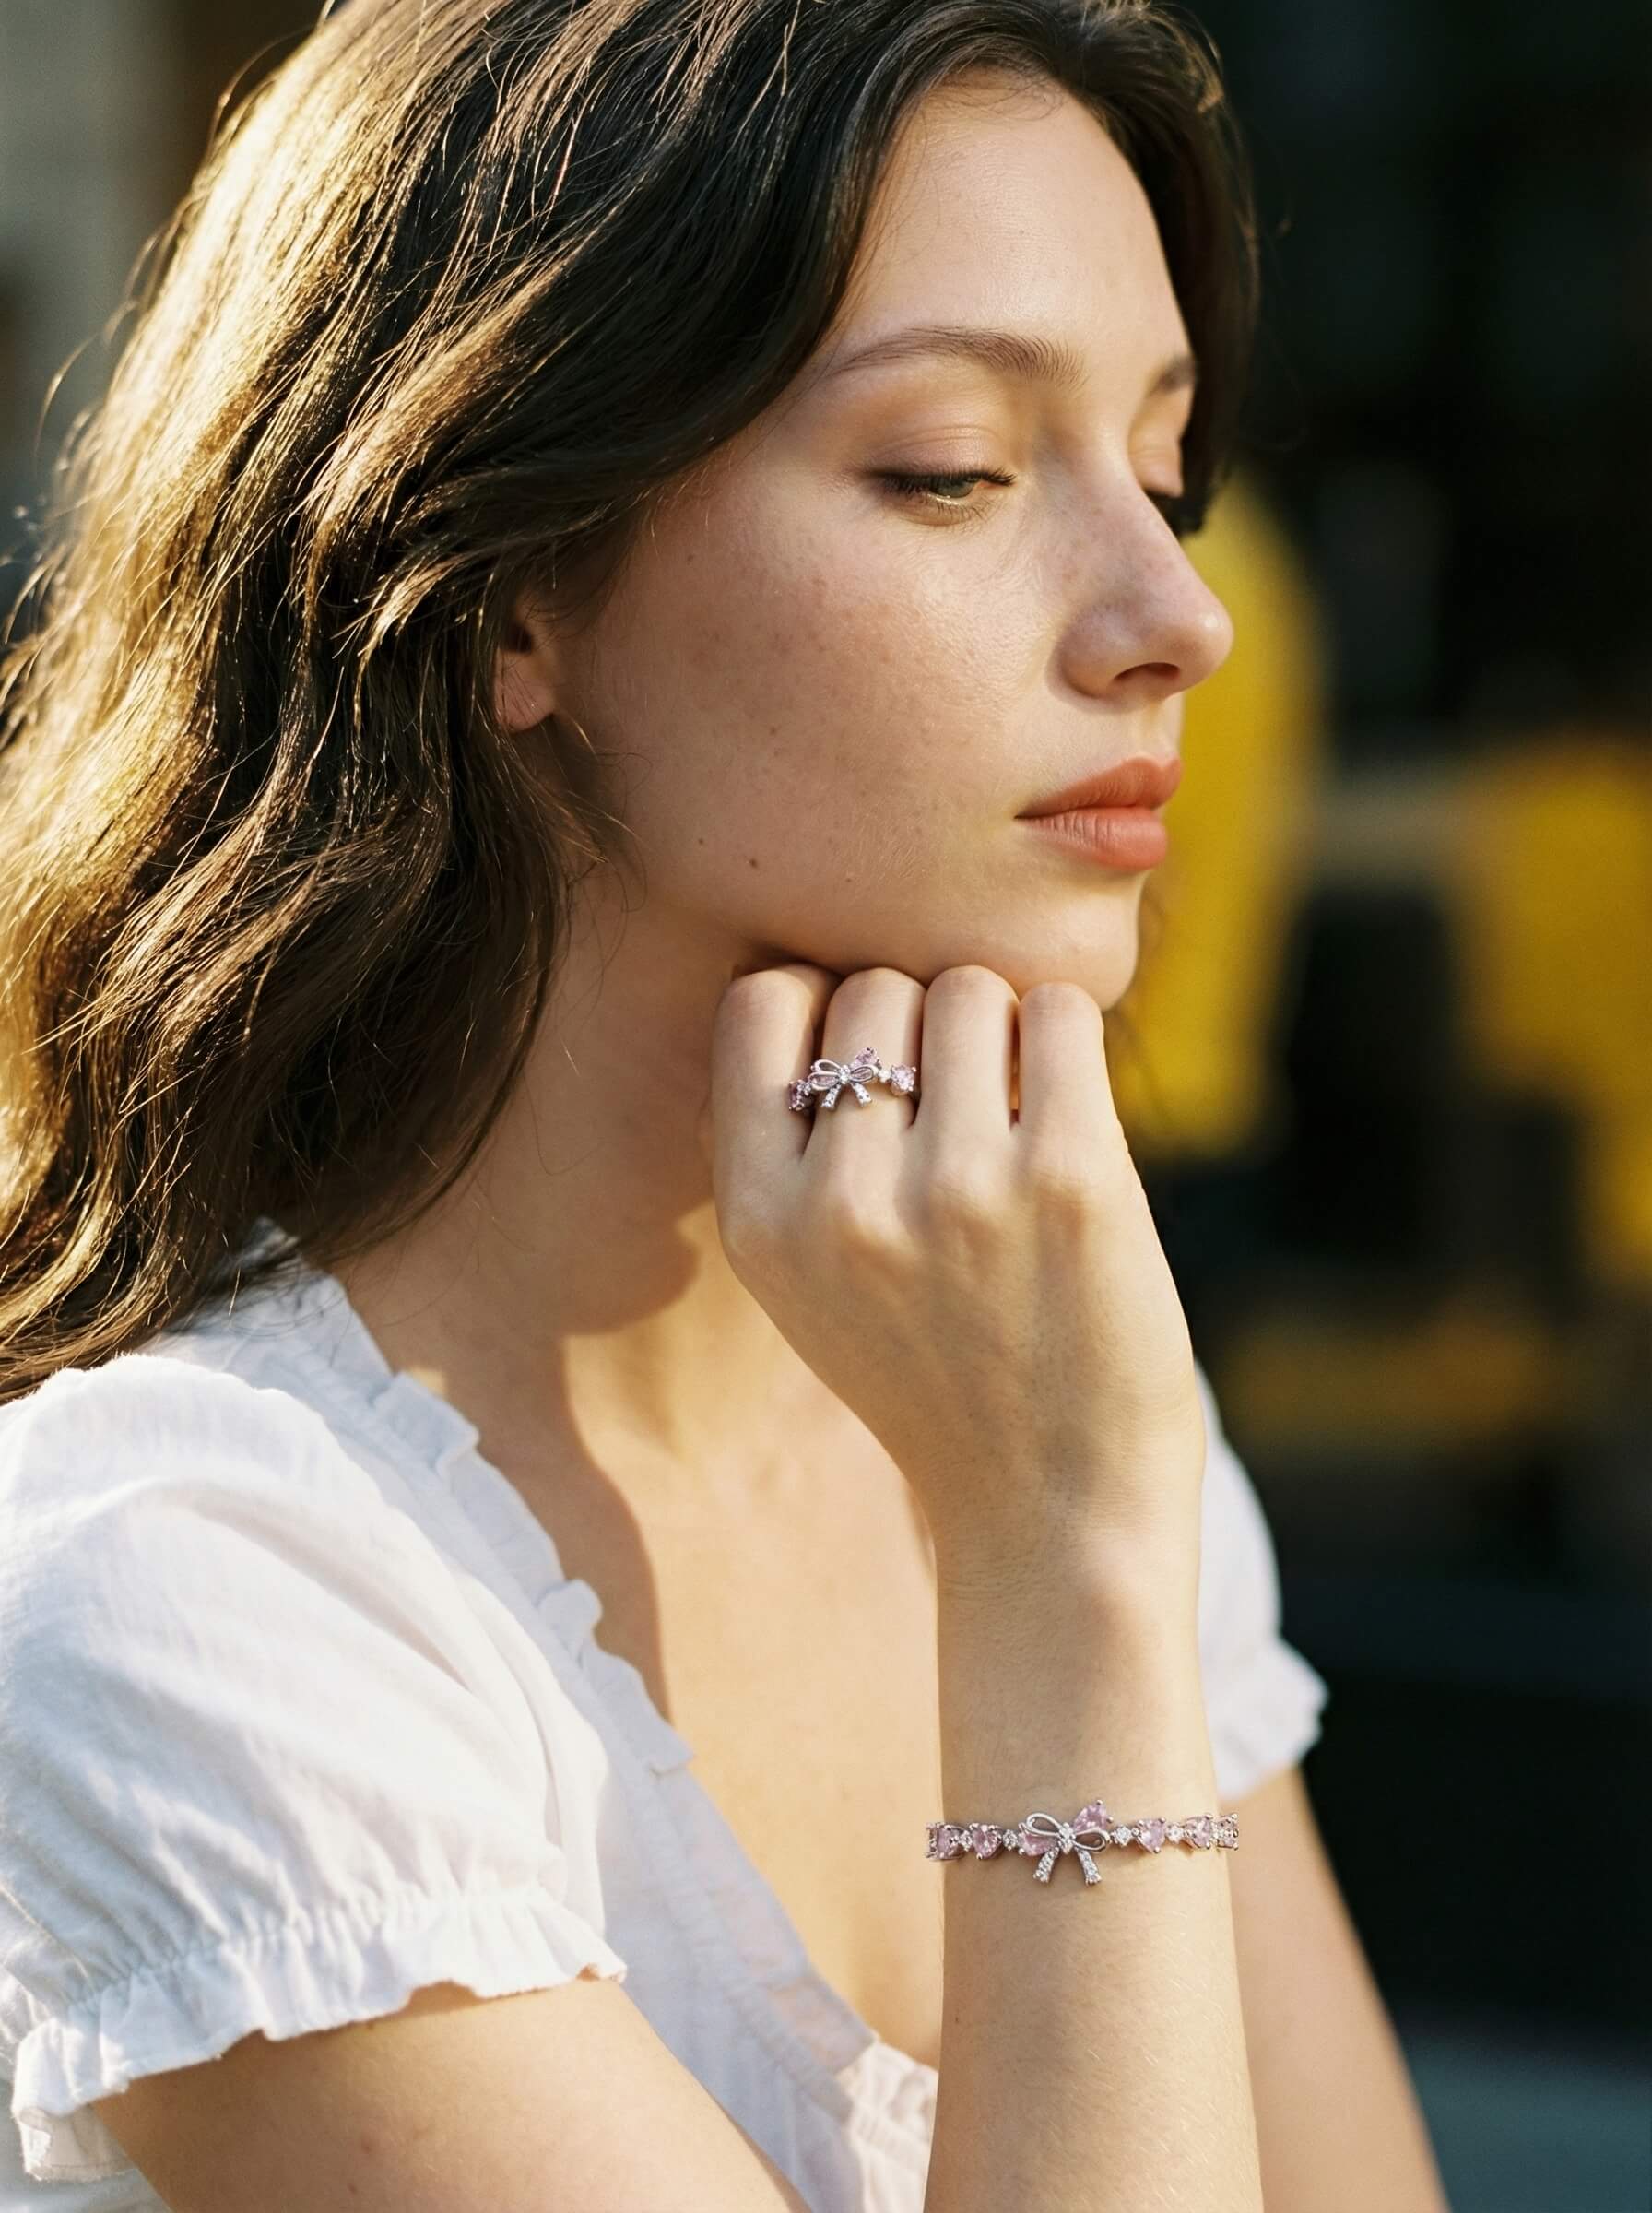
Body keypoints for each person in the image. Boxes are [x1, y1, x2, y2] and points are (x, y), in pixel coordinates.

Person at [0, 3, 1448, 2208]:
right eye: (950, 468)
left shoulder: (1031, 1410)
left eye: (1162, 472)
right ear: (507, 581)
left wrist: (1071, 1529)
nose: (1175, 616)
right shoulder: (180, 1598)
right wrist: (1056, 1586)